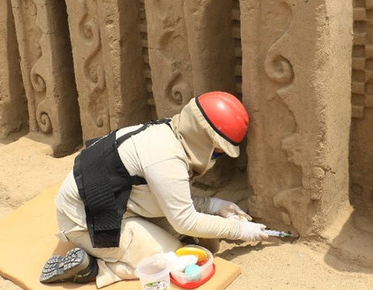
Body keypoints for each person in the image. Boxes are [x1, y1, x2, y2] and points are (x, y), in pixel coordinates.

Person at [39, 91, 268, 287]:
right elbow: (185, 220)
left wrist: (215, 206)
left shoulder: (170, 133)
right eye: (216, 153)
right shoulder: (166, 159)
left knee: (190, 238)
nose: (215, 159)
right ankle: (92, 267)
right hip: (85, 221)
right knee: (178, 261)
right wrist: (239, 231)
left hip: (110, 202)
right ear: (202, 139)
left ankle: (113, 252)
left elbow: (167, 197)